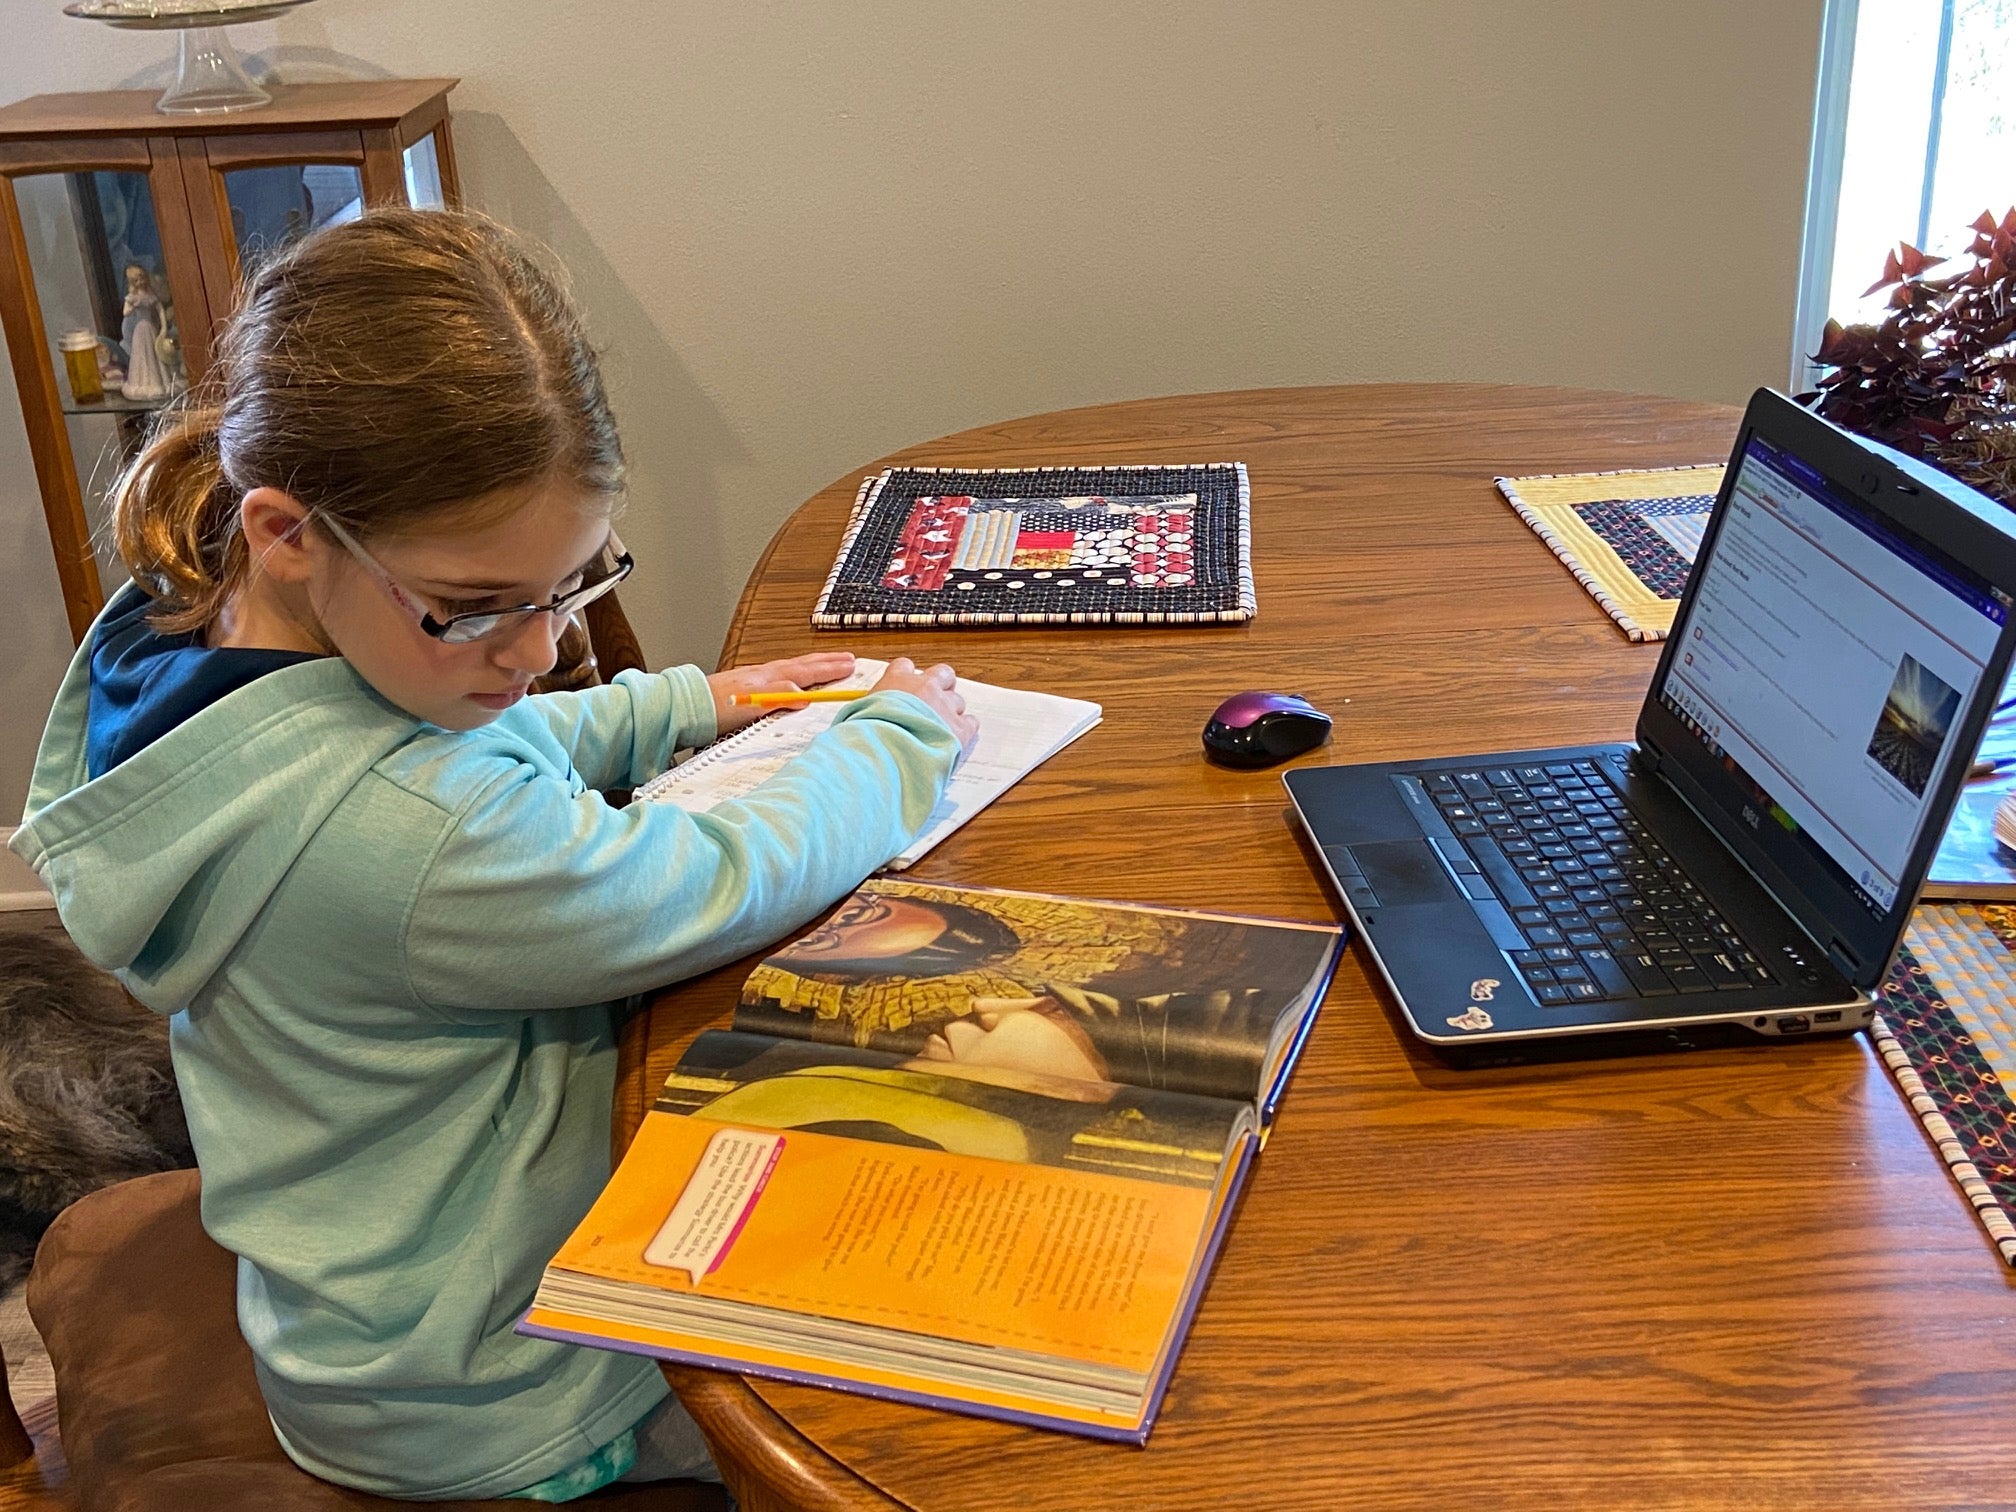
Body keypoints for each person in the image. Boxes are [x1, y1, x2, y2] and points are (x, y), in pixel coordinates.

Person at [8, 207, 978, 1503]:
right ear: (289, 530)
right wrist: (902, 740)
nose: (537, 652)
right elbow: (710, 879)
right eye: (474, 608)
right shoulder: (417, 839)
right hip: (496, 1389)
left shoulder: (192, 627)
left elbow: (444, 739)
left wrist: (679, 704)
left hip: (356, 1324)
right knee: (909, 1408)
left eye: (570, 585)